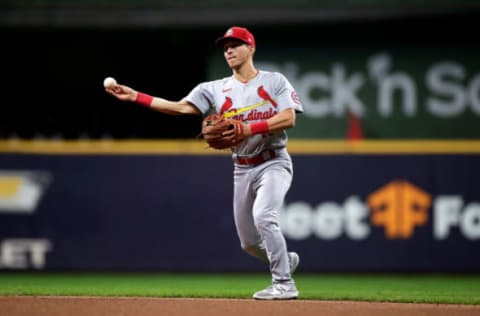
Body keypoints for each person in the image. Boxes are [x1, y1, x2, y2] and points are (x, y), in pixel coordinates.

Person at [105, 26, 303, 300]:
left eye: (236, 45)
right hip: (242, 167)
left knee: (263, 216)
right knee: (248, 243)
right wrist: (136, 96)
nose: (229, 50)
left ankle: (284, 283)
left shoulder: (274, 81)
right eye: (225, 47)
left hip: (274, 162)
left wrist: (249, 129)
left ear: (251, 48)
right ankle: (285, 261)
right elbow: (179, 107)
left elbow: (289, 118)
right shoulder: (214, 89)